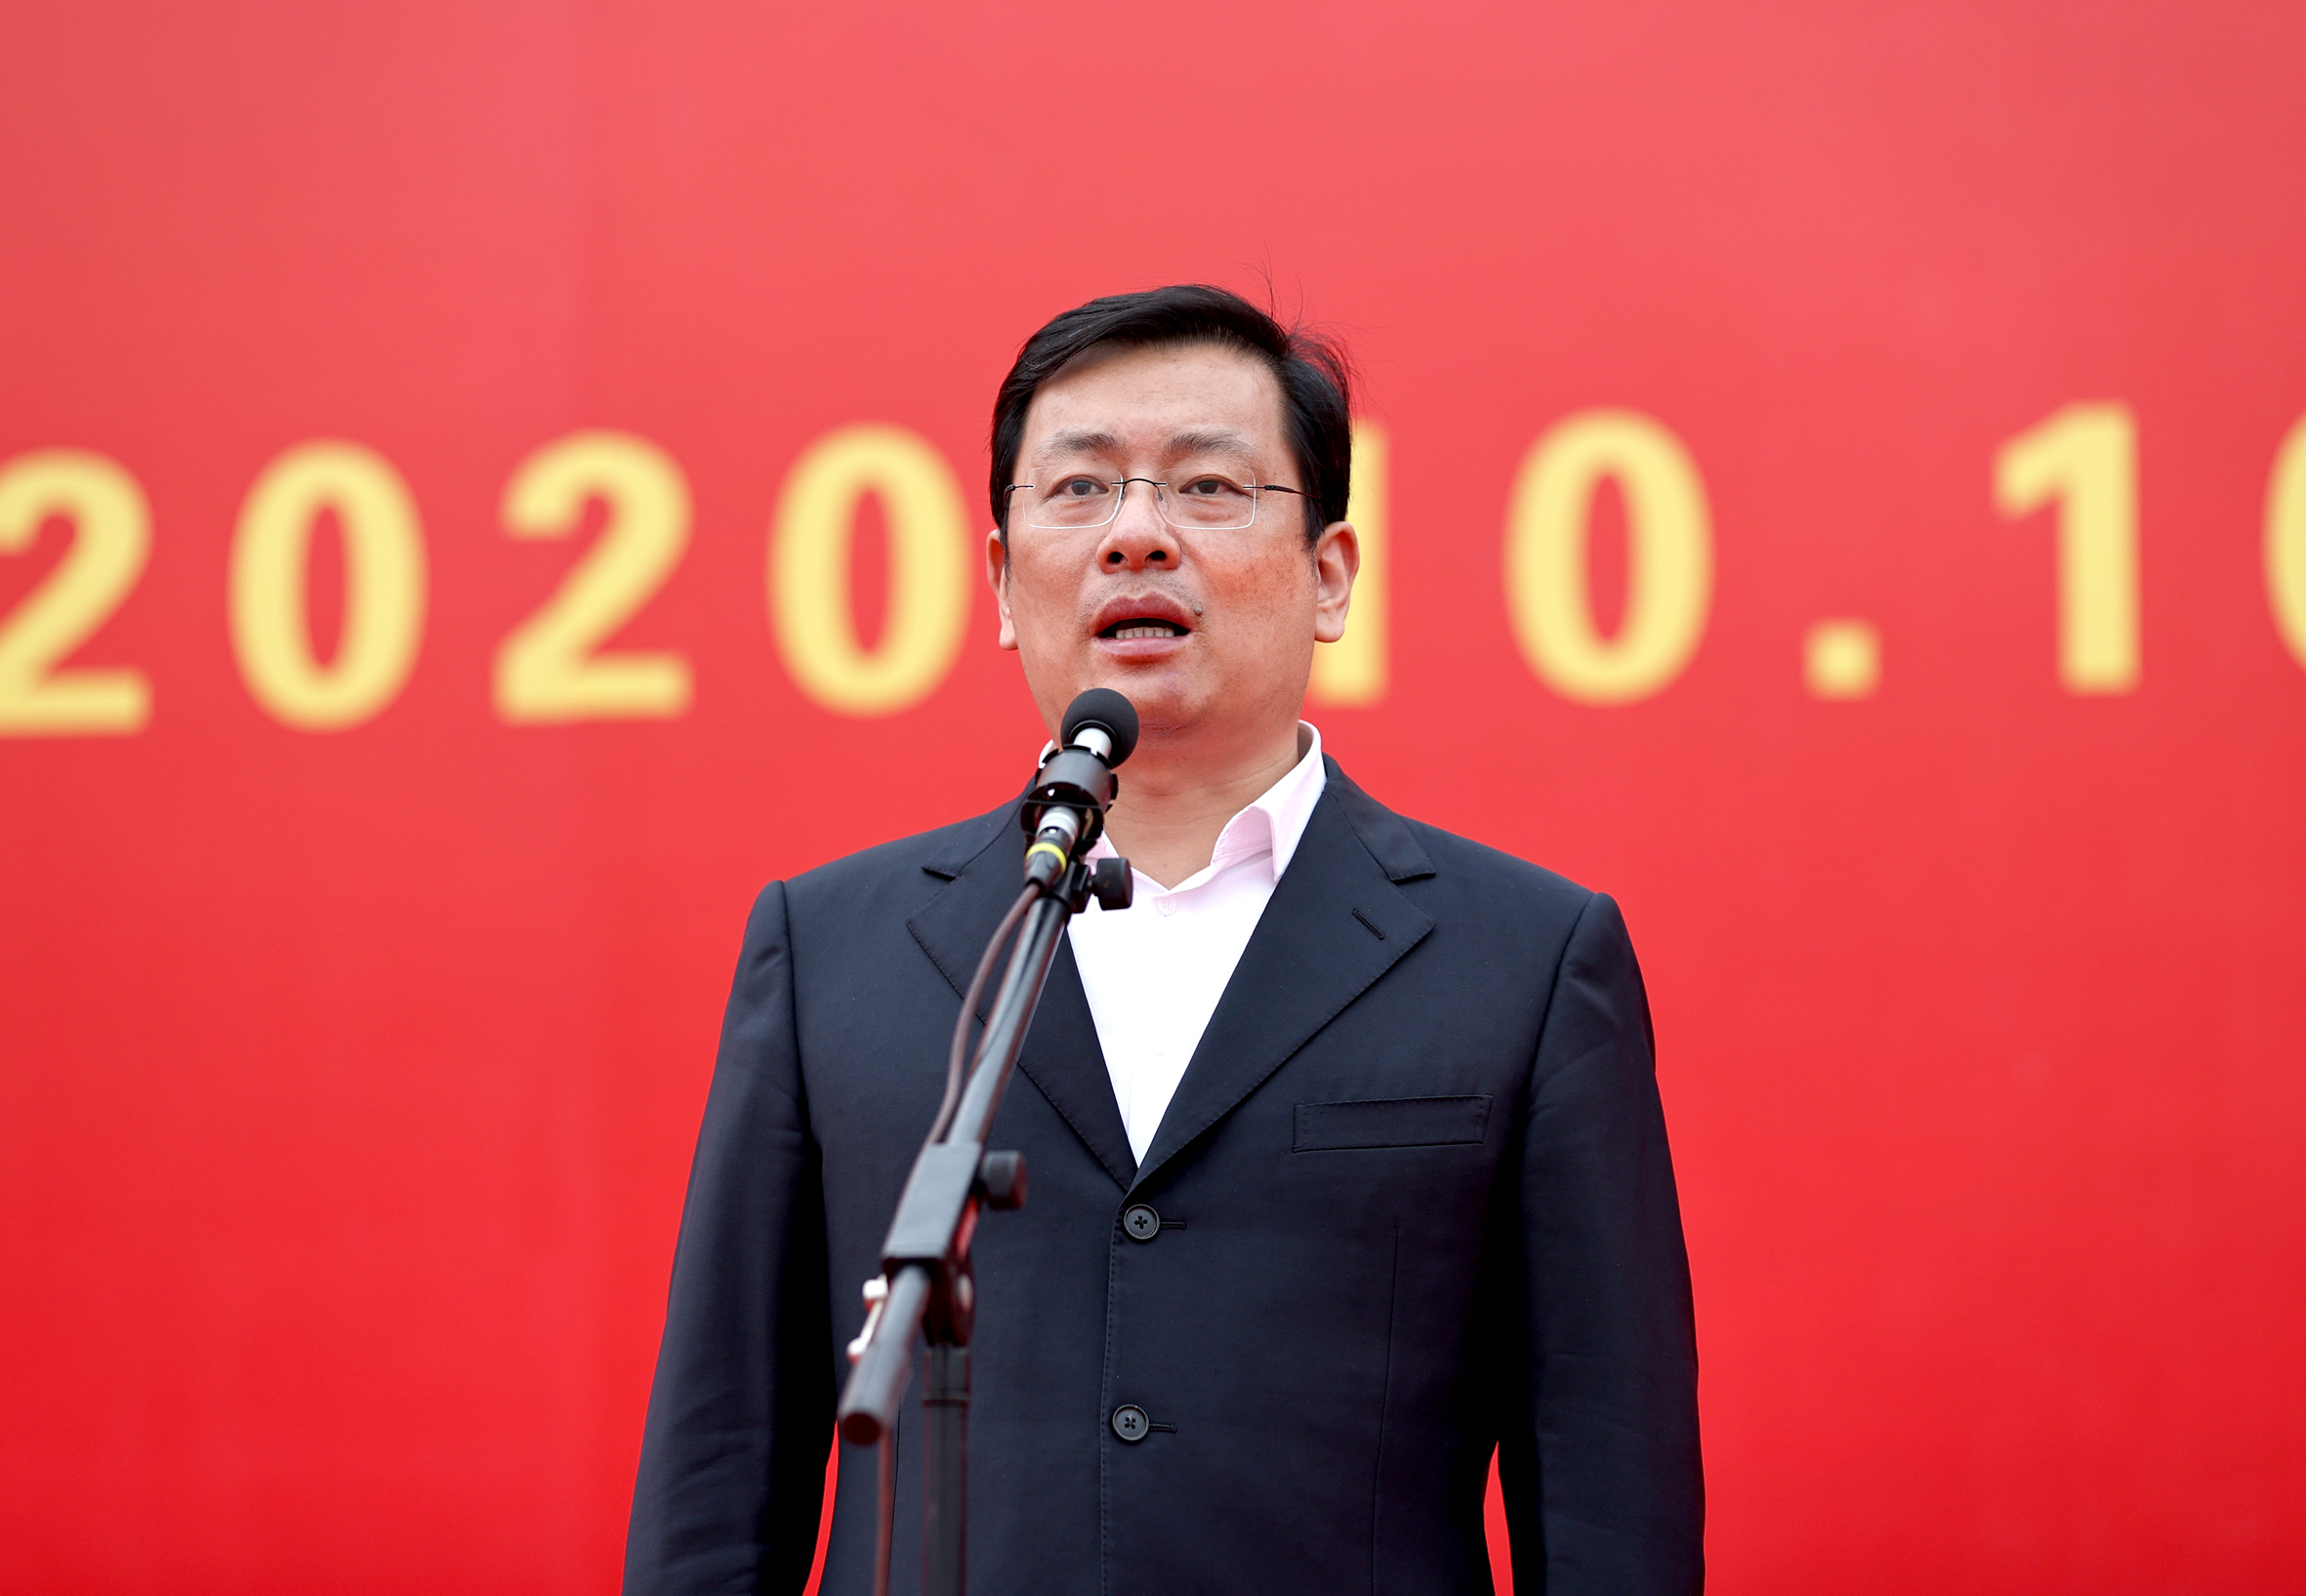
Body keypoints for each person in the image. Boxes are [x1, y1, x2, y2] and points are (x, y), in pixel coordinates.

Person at [624, 284, 1702, 1594]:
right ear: (1001, 581)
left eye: (1206, 487)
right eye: (1080, 490)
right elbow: (716, 1474)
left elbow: (1606, 1504)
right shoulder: (831, 951)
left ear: (1328, 577)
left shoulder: (1524, 961)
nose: (1136, 535)